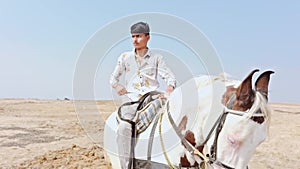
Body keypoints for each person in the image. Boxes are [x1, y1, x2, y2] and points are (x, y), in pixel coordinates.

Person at [110, 21, 176, 169]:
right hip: (131, 101)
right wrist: (117, 85)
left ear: (147, 37)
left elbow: (170, 78)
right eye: (133, 36)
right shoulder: (124, 57)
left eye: (138, 36)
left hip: (152, 98)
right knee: (124, 128)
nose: (135, 40)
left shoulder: (157, 58)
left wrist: (169, 90)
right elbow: (112, 78)